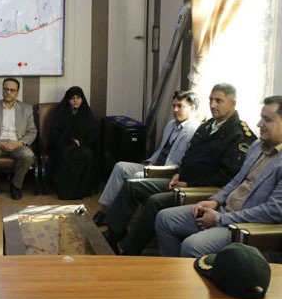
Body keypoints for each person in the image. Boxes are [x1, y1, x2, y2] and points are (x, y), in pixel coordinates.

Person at [102, 83, 256, 255]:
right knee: (133, 185)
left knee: (155, 201)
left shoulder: (239, 135)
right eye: (211, 100)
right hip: (181, 181)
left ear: (233, 103)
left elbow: (226, 177)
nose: (213, 105)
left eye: (218, 101)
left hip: (200, 190)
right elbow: (189, 156)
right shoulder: (208, 126)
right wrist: (178, 173)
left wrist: (189, 183)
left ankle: (129, 252)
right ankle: (113, 235)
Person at [156, 95, 282, 257]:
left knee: (192, 246)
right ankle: (173, 269)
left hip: (245, 225)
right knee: (165, 219)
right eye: (261, 118)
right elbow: (236, 180)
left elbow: (273, 211)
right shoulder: (257, 146)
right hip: (223, 209)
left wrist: (221, 219)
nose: (259, 124)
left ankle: (190, 273)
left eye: (267, 120)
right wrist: (215, 200)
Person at [93, 90, 200, 225]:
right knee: (120, 167)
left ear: (192, 108)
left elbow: (179, 163)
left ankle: (118, 222)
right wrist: (150, 162)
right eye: (174, 106)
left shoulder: (193, 129)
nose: (175, 110)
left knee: (136, 177)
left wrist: (155, 169)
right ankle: (105, 211)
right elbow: (161, 150)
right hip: (155, 166)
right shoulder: (171, 125)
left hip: (168, 173)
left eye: (180, 106)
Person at [0, 78, 37, 200]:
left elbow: (32, 131)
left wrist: (19, 143)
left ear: (17, 92)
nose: (8, 92)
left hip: (17, 143)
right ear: (2, 90)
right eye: (6, 89)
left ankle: (16, 185)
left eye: (12, 90)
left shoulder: (26, 108)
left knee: (28, 156)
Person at [48, 86, 100, 200]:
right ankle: (66, 191)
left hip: (83, 145)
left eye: (78, 98)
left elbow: (93, 133)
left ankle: (83, 190)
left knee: (88, 154)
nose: (75, 100)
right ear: (68, 100)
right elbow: (55, 133)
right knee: (66, 153)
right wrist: (70, 140)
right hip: (64, 144)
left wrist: (81, 141)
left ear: (82, 99)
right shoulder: (61, 113)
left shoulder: (86, 113)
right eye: (72, 98)